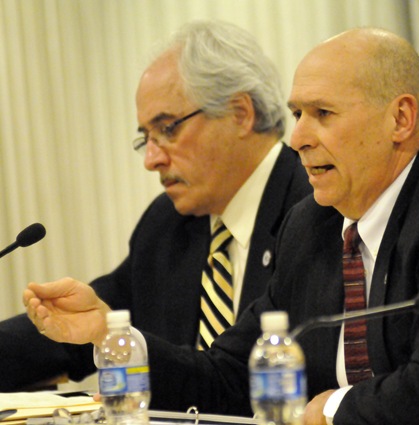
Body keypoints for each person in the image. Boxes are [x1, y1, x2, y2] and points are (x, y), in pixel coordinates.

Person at [25, 28, 419, 424]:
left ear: (400, 119)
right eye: (297, 114)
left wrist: (329, 409)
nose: (299, 137)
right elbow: (233, 377)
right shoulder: (311, 225)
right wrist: (109, 336)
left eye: (322, 114)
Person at [0, 19, 310, 391]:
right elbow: (78, 329)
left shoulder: (314, 207)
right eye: (144, 138)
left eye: (167, 129)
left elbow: (240, 381)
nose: (151, 160)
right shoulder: (167, 224)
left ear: (240, 114)